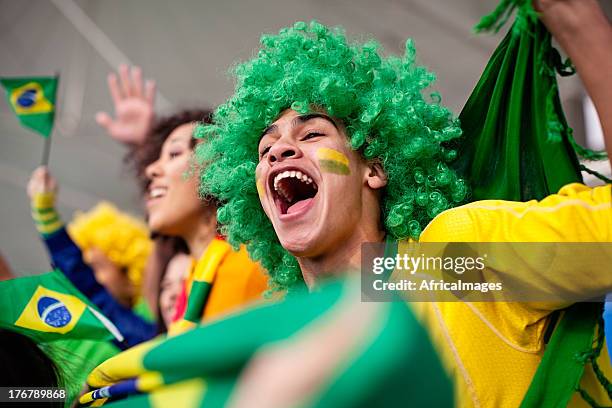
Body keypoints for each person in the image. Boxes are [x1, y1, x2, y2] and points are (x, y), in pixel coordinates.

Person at [196, 1, 612, 407]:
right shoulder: (292, 346)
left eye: (312, 135)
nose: (278, 152)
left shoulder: (448, 266)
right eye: (266, 146)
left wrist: (580, 27)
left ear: (374, 170)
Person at [96, 68, 269, 334]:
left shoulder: (260, 261)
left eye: (174, 153)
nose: (151, 169)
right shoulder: (189, 279)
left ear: (219, 167)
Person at [27, 170, 158, 347]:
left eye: (94, 267)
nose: (84, 275)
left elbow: (93, 292)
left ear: (128, 274)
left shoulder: (139, 334)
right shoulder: (66, 318)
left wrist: (46, 216)